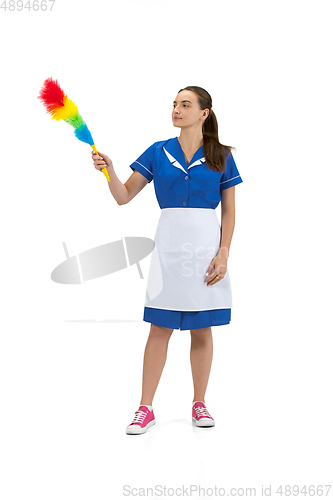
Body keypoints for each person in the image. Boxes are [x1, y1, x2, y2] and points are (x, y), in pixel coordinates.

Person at [92, 86, 243, 435]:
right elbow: (124, 196)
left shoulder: (221, 155)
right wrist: (109, 171)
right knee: (159, 328)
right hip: (170, 248)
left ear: (204, 113)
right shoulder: (158, 152)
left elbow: (231, 211)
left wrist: (224, 254)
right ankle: (145, 408)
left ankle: (199, 402)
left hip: (206, 250)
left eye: (185, 104)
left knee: (202, 328)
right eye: (174, 104)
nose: (176, 109)